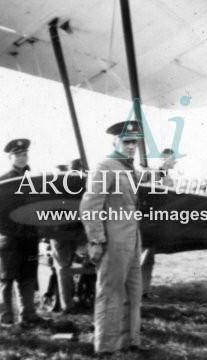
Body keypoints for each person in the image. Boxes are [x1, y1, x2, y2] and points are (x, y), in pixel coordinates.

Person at [80, 120, 147, 355]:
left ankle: (130, 341)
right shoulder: (105, 166)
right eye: (126, 142)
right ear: (114, 141)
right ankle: (106, 347)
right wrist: (96, 240)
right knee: (110, 292)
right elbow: (90, 205)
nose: (131, 147)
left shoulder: (127, 168)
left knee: (133, 292)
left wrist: (164, 169)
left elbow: (144, 180)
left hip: (132, 239)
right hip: (113, 239)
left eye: (134, 142)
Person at [0, 138, 44, 326]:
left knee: (28, 277)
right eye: (18, 155)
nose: (22, 158)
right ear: (10, 157)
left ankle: (28, 314)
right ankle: (5, 318)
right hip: (9, 239)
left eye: (25, 154)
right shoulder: (0, 182)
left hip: (29, 237)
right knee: (6, 279)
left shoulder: (35, 181)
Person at [50, 158, 87, 314]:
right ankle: (72, 300)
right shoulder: (86, 185)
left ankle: (67, 303)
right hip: (77, 233)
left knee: (63, 269)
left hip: (63, 233)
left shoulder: (56, 187)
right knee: (84, 266)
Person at [141, 148, 177, 299]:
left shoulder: (166, 177)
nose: (175, 162)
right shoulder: (154, 174)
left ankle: (144, 291)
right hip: (147, 224)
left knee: (149, 260)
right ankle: (137, 290)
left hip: (156, 224)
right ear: (164, 159)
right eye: (172, 158)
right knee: (142, 258)